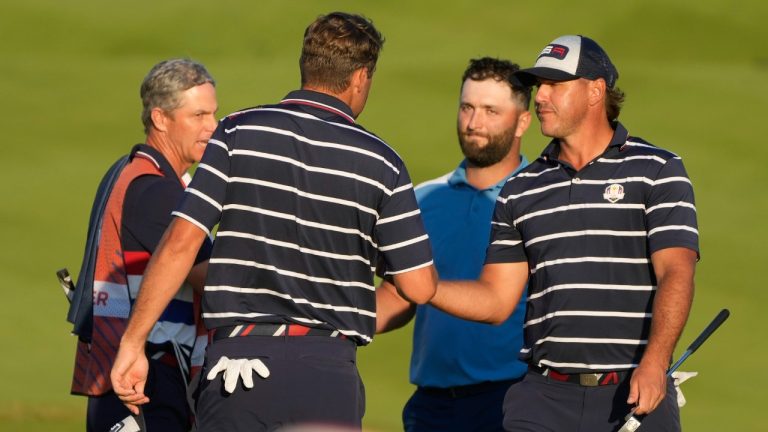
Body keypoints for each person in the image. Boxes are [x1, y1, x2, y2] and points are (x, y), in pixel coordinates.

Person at [110, 12, 437, 432]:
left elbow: (180, 242)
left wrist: (133, 343)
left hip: (235, 369)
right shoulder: (382, 161)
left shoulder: (235, 132)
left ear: (306, 66)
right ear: (360, 78)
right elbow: (418, 287)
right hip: (327, 373)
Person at [427, 35, 699, 432]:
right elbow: (497, 299)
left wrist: (657, 362)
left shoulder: (657, 170)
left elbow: (676, 272)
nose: (540, 97)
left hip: (634, 391)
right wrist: (428, 288)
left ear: (595, 91)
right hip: (543, 399)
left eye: (555, 84)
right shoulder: (521, 189)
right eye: (539, 85)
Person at [376, 57, 532, 432]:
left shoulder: (542, 201)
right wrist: (331, 317)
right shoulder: (422, 200)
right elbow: (397, 298)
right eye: (467, 107)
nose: (474, 123)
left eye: (491, 111)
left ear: (522, 121)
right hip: (431, 406)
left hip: (513, 400)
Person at [70, 58, 217, 431]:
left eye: (213, 114)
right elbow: (217, 282)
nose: (212, 128)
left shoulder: (133, 170)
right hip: (147, 379)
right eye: (198, 115)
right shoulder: (156, 191)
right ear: (161, 118)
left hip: (131, 373)